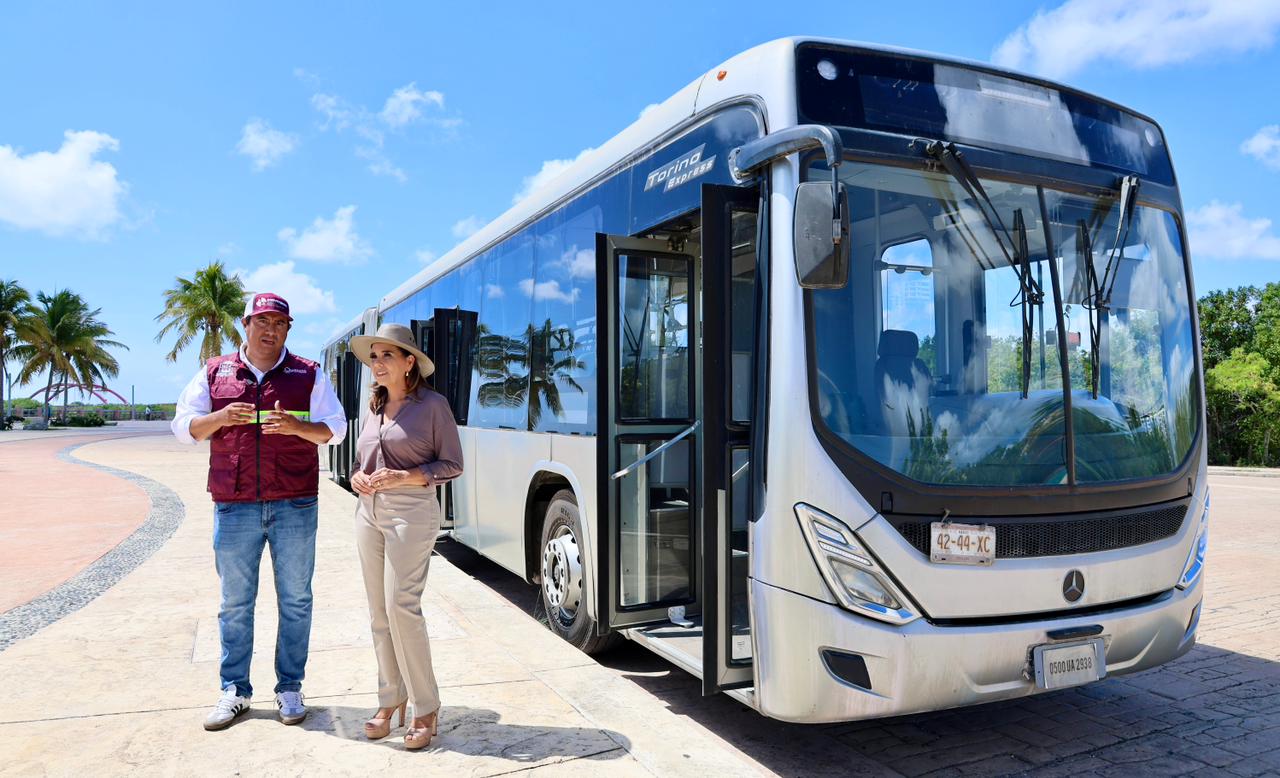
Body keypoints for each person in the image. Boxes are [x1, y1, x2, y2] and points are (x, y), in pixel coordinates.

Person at [171, 292, 347, 731]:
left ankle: (290, 687)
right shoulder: (215, 373)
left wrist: (297, 427)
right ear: (246, 324)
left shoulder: (308, 373)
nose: (271, 330)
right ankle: (235, 690)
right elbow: (184, 427)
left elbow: (337, 429)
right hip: (234, 505)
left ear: (288, 329)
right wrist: (220, 417)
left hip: (295, 502)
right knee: (234, 602)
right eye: (262, 321)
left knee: (296, 599)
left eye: (279, 323)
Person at [349, 323, 462, 750]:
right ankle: (390, 698)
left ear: (409, 361)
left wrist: (405, 476)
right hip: (368, 513)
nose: (377, 363)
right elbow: (361, 462)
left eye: (387, 355)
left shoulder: (433, 406)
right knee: (379, 613)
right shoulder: (373, 405)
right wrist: (357, 477)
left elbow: (452, 464)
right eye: (373, 356)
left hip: (411, 512)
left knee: (402, 607)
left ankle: (425, 706)